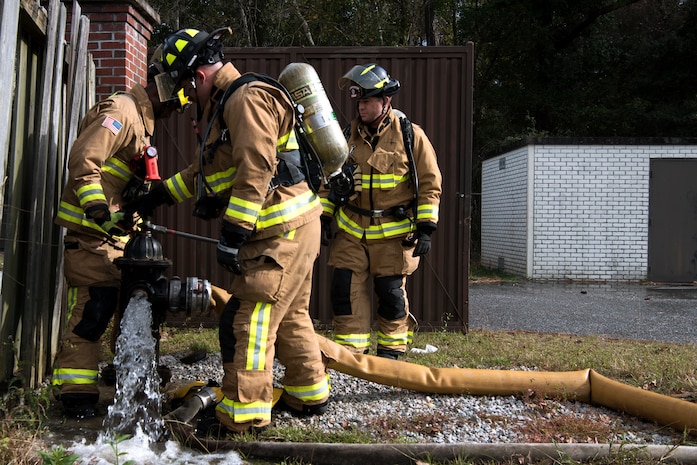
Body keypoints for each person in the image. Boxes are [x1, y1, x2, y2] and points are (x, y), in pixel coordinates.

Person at [138, 27, 330, 435]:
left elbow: (256, 169)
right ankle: (308, 393)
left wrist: (233, 233)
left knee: (247, 321)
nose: (183, 95)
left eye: (184, 85)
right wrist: (158, 195)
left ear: (198, 76)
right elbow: (204, 171)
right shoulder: (224, 104)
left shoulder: (245, 99)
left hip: (280, 232)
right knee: (291, 315)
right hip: (291, 228)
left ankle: (242, 416)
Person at [51, 57, 185, 418]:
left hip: (115, 240)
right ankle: (75, 396)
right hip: (91, 236)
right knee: (92, 313)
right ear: (169, 87)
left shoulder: (143, 123)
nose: (176, 110)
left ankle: (125, 377)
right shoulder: (122, 111)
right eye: (177, 100)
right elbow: (84, 160)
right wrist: (99, 210)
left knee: (131, 313)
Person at [321, 63, 443, 360]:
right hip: (351, 230)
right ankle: (351, 356)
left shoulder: (411, 136)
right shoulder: (345, 137)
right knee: (344, 291)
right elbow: (329, 179)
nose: (360, 107)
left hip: (393, 235)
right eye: (358, 101)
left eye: (366, 101)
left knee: (390, 295)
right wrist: (324, 216)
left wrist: (426, 227)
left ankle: (391, 355)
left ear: (385, 101)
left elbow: (430, 183)